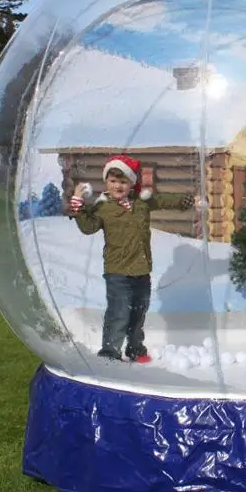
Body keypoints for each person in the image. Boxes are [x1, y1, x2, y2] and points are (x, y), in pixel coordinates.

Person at [69, 154, 195, 363]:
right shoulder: (102, 206)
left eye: (123, 181)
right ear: (106, 182)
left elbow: (163, 200)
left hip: (142, 269)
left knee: (138, 313)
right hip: (117, 271)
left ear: (131, 183)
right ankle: (109, 353)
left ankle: (135, 349)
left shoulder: (141, 201)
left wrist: (185, 201)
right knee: (119, 312)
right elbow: (88, 227)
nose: (118, 186)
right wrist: (78, 204)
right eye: (113, 181)